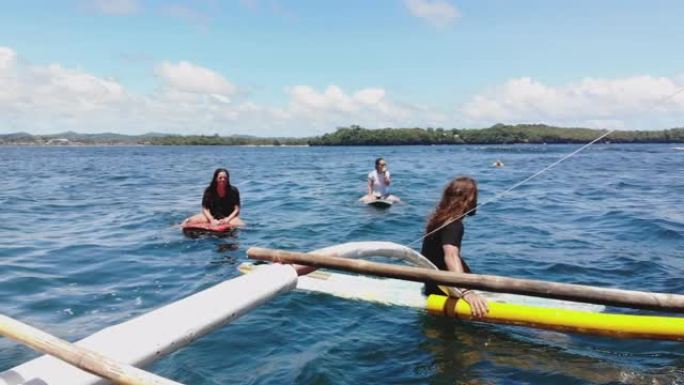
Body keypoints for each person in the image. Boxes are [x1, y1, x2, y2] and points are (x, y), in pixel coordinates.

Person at [420, 176, 488, 318]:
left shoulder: (438, 219)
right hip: (445, 289)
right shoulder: (454, 225)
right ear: (468, 199)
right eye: (475, 195)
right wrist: (465, 291)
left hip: (433, 284)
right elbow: (450, 255)